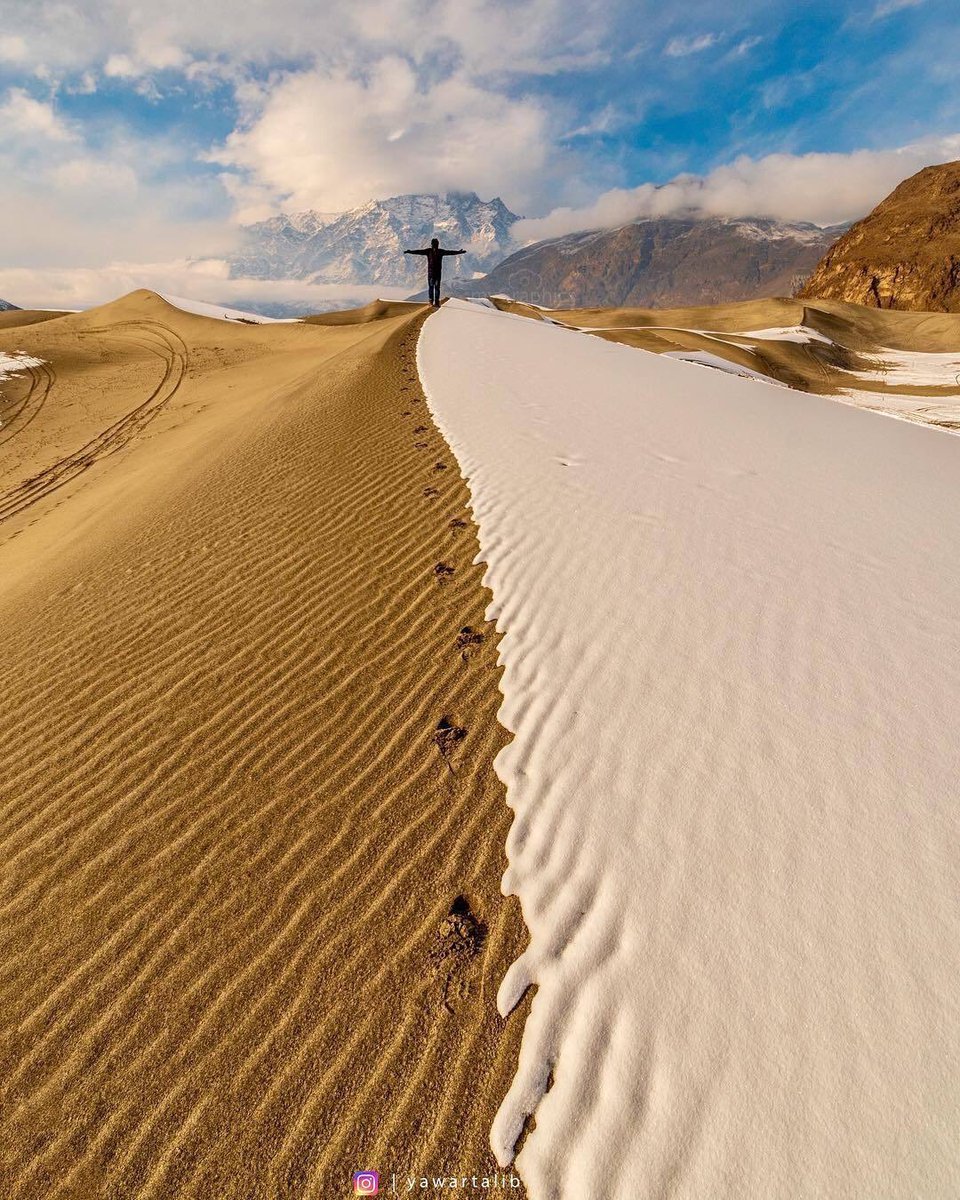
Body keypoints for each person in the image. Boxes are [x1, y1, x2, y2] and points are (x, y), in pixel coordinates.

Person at [404, 238, 466, 307]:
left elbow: (450, 252)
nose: (435, 245)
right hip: (432, 274)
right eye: (435, 244)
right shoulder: (429, 251)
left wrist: (459, 252)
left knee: (436, 288)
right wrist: (410, 251)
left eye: (436, 244)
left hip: (437, 274)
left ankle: (436, 302)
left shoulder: (439, 251)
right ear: (432, 244)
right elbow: (419, 252)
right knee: (432, 287)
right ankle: (431, 301)